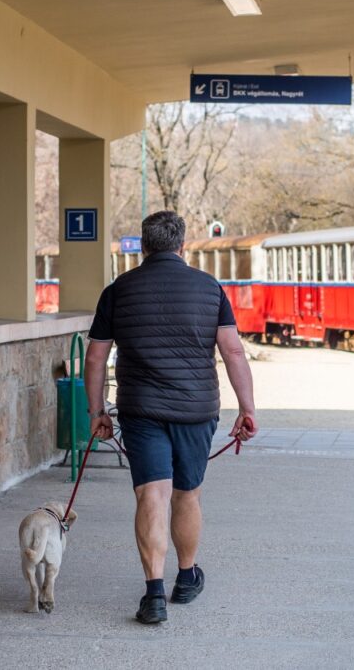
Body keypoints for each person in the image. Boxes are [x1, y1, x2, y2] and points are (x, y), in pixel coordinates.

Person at [84, 210, 257, 625]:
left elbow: (95, 355)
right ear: (182, 246)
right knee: (187, 494)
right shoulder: (209, 288)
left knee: (151, 495)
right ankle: (186, 576)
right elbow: (233, 351)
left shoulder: (118, 290)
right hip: (195, 410)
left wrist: (97, 411)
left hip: (141, 410)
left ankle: (153, 595)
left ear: (144, 246)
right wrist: (247, 407)